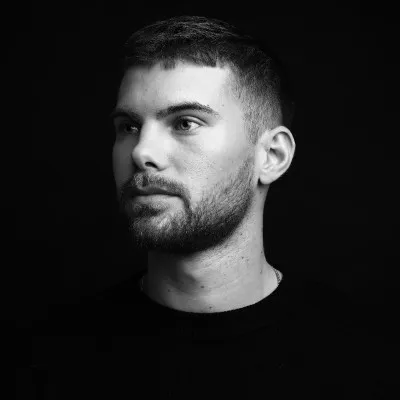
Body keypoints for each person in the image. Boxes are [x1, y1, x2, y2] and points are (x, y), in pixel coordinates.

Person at [28, 15, 390, 399]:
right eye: (129, 127)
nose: (141, 152)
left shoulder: (369, 360)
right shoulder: (46, 360)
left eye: (185, 123)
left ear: (271, 156)